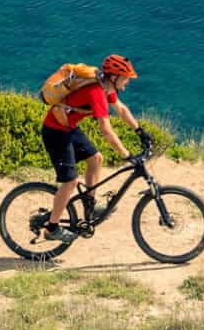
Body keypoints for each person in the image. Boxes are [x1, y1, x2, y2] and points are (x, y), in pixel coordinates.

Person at [41, 54, 142, 241]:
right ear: (114, 76)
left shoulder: (105, 86)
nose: (128, 81)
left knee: (96, 159)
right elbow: (106, 130)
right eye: (126, 77)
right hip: (55, 132)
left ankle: (90, 207)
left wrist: (139, 131)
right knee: (70, 182)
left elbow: (121, 109)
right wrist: (126, 155)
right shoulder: (96, 93)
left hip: (68, 128)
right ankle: (51, 228)